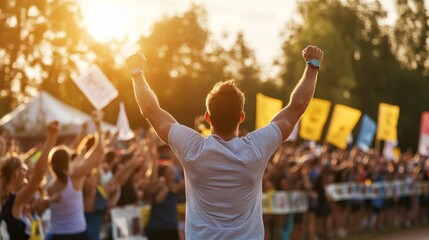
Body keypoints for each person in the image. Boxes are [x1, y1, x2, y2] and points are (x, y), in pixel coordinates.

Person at [126, 45, 323, 239]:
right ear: (242, 117)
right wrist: (312, 66)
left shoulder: (192, 148)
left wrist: (137, 72)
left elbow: (149, 109)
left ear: (207, 117)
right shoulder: (256, 149)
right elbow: (297, 106)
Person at [46, 111, 105, 240]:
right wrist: (98, 125)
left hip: (56, 236)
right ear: (68, 162)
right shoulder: (75, 178)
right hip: (78, 235)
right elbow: (99, 150)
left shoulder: (49, 185)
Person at [1, 121, 58, 240]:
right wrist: (52, 137)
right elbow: (39, 174)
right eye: (23, 168)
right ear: (15, 174)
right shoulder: (14, 201)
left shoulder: (9, 197)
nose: (26, 171)